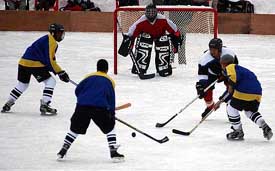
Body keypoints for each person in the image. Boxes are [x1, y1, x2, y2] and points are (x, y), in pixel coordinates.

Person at [57, 59, 124, 162]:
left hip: (82, 106)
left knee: (75, 129)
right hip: (99, 108)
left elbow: (78, 90)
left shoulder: (88, 77)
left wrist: (83, 99)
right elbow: (111, 99)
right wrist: (111, 113)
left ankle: (63, 150)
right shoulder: (109, 81)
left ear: (97, 68)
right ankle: (113, 152)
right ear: (107, 69)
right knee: (110, 127)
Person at [1, 23, 70, 116]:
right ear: (53, 33)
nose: (61, 35)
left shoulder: (46, 38)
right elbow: (50, 60)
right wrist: (60, 72)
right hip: (34, 64)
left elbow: (46, 60)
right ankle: (45, 104)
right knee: (51, 82)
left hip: (23, 63)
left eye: (61, 33)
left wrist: (57, 71)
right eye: (59, 33)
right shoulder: (52, 42)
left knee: (23, 84)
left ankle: (9, 102)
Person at [215, 54, 273, 141]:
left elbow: (231, 89)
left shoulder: (230, 67)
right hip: (257, 93)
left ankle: (238, 131)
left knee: (230, 107)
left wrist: (220, 101)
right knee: (249, 111)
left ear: (224, 63)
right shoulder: (241, 69)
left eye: (221, 64)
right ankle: (264, 125)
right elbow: (233, 89)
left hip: (244, 91)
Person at [118, 3, 183, 77]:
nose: (151, 14)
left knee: (163, 39)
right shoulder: (141, 21)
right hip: (146, 38)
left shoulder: (163, 19)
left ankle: (164, 68)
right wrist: (129, 43)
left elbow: (175, 30)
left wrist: (176, 42)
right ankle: (140, 67)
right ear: (145, 12)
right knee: (145, 38)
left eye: (153, 12)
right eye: (149, 12)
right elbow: (131, 33)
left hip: (160, 36)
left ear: (156, 12)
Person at [196, 38, 238, 118]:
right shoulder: (204, 59)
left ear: (220, 49)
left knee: (232, 89)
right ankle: (210, 106)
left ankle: (231, 111)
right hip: (212, 73)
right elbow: (202, 75)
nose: (212, 52)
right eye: (211, 50)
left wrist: (225, 75)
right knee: (205, 89)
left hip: (228, 72)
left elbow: (235, 68)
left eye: (214, 50)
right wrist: (201, 86)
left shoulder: (229, 54)